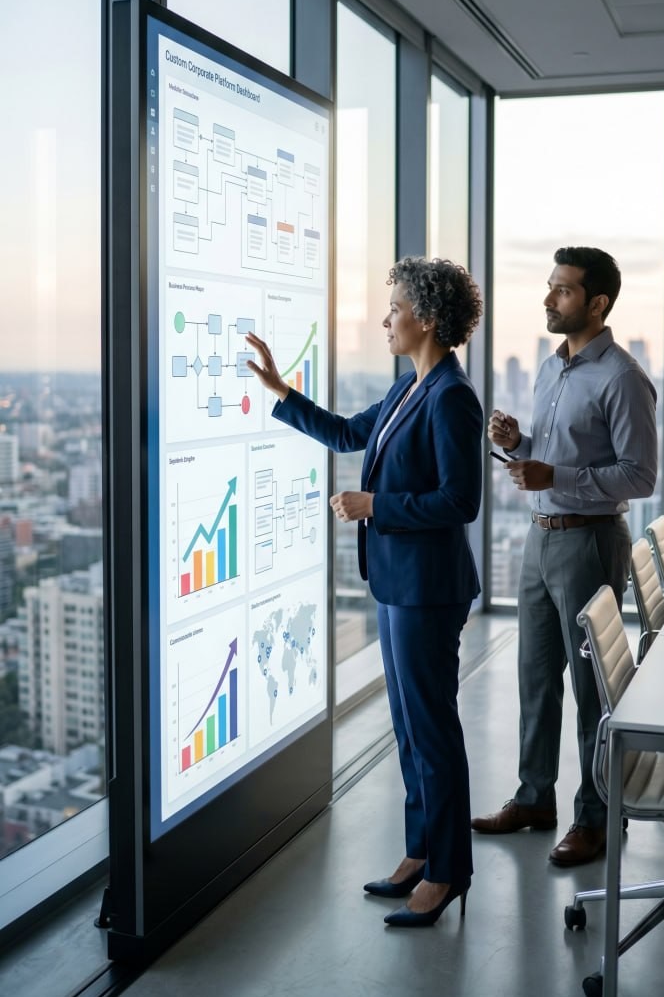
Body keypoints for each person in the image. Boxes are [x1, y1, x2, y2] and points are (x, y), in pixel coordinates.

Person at [246, 256, 483, 926]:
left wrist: (373, 504)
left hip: (427, 590)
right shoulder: (410, 388)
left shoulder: (450, 397)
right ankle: (420, 848)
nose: (386, 320)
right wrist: (280, 390)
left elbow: (459, 500)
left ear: (428, 321)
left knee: (432, 729)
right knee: (410, 727)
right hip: (399, 583)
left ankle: (448, 870)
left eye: (396, 309)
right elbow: (351, 433)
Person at [471, 246, 657, 866]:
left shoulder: (624, 378)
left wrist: (558, 472)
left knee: (590, 688)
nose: (549, 299)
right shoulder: (554, 368)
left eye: (564, 291)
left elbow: (640, 476)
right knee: (534, 677)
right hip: (539, 537)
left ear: (597, 304)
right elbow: (552, 454)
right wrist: (517, 442)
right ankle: (533, 798)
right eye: (550, 287)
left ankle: (598, 817)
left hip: (589, 541)